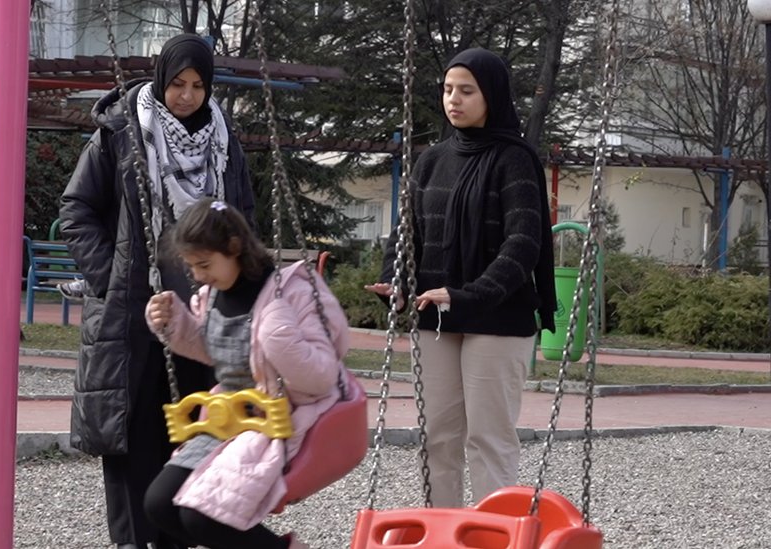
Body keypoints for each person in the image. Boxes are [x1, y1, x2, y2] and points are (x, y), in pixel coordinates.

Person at [58, 34, 255, 549]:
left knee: (196, 439)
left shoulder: (224, 141)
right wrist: (114, 281)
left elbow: (244, 219)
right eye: (177, 84)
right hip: (134, 318)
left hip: (202, 315)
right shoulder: (122, 133)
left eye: (197, 86)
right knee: (134, 443)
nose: (187, 96)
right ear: (161, 79)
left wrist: (236, 287)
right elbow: (75, 211)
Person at [365, 48, 557, 508]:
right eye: (449, 89)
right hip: (436, 318)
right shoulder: (432, 160)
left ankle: (495, 535)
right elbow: (406, 232)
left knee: (488, 439)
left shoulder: (515, 159)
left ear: (490, 95)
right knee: (437, 437)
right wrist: (396, 280)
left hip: (497, 317)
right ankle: (443, 532)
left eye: (466, 91)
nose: (454, 99)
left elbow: (523, 244)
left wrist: (468, 295)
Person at [142, 198, 349, 549]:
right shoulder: (211, 295)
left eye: (204, 264)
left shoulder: (293, 291)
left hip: (280, 417)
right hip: (227, 421)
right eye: (191, 267)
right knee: (160, 505)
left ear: (234, 247)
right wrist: (171, 323)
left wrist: (279, 339)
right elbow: (214, 351)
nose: (197, 276)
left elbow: (321, 378)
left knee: (204, 515)